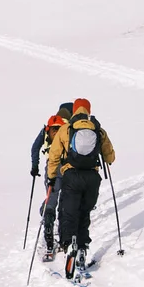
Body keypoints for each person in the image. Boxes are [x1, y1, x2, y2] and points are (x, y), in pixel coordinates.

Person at [45, 97, 115, 274]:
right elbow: (110, 157)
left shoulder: (65, 129)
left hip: (71, 175)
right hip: (92, 178)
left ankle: (69, 245)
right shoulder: (99, 130)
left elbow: (54, 155)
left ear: (74, 110)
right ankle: (83, 247)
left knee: (69, 212)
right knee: (84, 212)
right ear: (88, 110)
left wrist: (52, 177)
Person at [29, 105, 70, 261]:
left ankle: (48, 223)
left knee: (51, 198)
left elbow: (34, 148)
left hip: (50, 167)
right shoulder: (68, 127)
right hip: (66, 167)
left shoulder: (46, 128)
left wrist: (34, 166)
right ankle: (64, 234)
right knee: (65, 200)